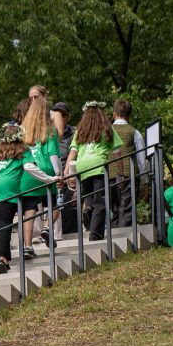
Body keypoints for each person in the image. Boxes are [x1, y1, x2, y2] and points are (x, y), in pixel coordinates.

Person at [0, 124, 59, 273]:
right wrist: (50, 179)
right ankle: (3, 259)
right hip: (7, 190)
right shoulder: (23, 151)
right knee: (5, 223)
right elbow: (30, 168)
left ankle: (2, 257)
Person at [65, 101, 123, 241]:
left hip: (82, 168)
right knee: (101, 203)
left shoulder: (80, 131)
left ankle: (88, 209)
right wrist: (121, 173)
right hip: (98, 167)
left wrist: (66, 173)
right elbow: (117, 153)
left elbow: (73, 153)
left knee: (91, 199)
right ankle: (95, 236)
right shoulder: (107, 128)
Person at [19, 87, 61, 259]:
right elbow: (52, 153)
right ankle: (46, 227)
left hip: (28, 174)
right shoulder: (50, 129)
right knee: (55, 204)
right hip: (46, 173)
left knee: (29, 211)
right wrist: (59, 174)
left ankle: (27, 247)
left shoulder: (22, 130)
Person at [109, 99, 147, 228]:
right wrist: (145, 180)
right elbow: (142, 158)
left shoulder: (106, 131)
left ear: (114, 114)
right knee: (127, 210)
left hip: (108, 176)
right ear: (129, 116)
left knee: (113, 209)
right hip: (129, 175)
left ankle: (112, 239)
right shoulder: (134, 132)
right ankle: (126, 239)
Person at [51, 102, 78, 237]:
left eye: (61, 115)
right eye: (56, 114)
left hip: (70, 173)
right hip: (52, 175)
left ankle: (70, 234)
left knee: (69, 207)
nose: (58, 117)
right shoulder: (48, 132)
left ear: (68, 117)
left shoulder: (74, 131)